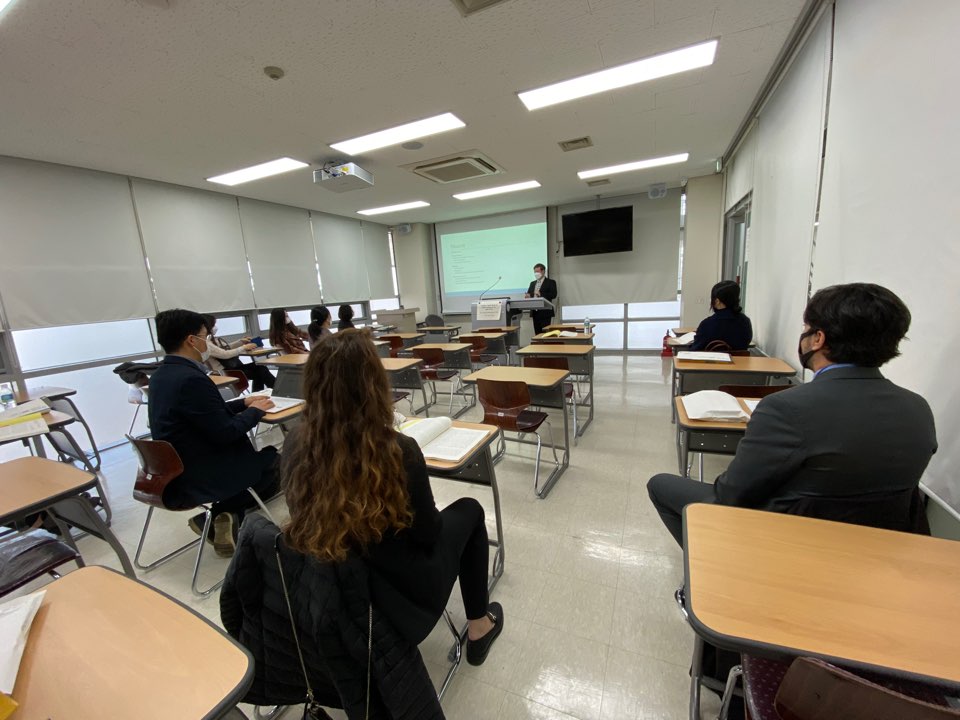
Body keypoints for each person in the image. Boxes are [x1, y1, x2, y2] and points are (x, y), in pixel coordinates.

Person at [648, 282, 938, 546]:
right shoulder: (918, 409)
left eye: (806, 327)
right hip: (876, 544)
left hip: (787, 537)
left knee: (661, 485)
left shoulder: (785, 408)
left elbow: (730, 494)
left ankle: (712, 569)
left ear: (818, 339)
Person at [280, 329, 504, 665]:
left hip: (335, 589)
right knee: (470, 510)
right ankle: (479, 628)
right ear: (373, 384)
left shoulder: (295, 443)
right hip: (400, 597)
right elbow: (428, 534)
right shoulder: (398, 450)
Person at [148, 309, 279, 557]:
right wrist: (255, 412)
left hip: (175, 468)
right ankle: (222, 512)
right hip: (203, 471)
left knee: (262, 463)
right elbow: (226, 433)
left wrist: (243, 403)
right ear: (191, 340)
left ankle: (221, 516)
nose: (207, 341)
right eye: (204, 336)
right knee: (273, 460)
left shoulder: (161, 376)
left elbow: (205, 415)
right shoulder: (191, 379)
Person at [201, 314, 276, 392]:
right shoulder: (207, 343)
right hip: (226, 371)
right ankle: (276, 390)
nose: (215, 327)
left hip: (232, 367)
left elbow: (227, 347)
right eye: (213, 325)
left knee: (259, 369)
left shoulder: (211, 340)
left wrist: (241, 342)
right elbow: (225, 354)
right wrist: (243, 348)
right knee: (260, 370)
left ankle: (261, 393)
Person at [688, 280, 753, 351]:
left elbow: (695, 349)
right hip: (740, 358)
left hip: (711, 358)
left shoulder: (706, 324)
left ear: (717, 301)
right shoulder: (745, 321)